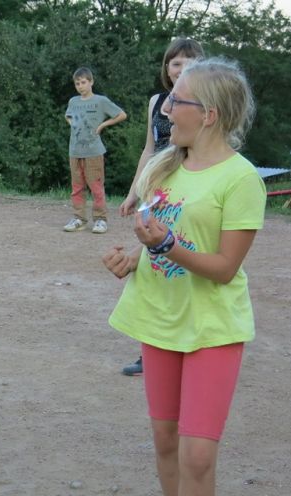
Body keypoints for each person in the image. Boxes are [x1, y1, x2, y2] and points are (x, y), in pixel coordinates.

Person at [102, 57, 265, 496]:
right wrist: (133, 257)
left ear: (208, 114)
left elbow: (225, 267)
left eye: (177, 101)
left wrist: (165, 246)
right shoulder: (162, 167)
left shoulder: (241, 179)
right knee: (166, 440)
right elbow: (158, 236)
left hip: (212, 327)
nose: (167, 109)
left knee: (197, 455)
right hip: (158, 318)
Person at [118, 37, 205, 377]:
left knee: (180, 259)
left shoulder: (205, 102)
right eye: (176, 62)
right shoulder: (156, 102)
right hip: (156, 188)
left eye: (190, 62)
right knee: (150, 264)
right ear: (167, 68)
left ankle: (188, 340)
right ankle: (150, 347)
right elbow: (149, 149)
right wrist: (134, 192)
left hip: (188, 189)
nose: (182, 68)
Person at [63, 66, 127, 234]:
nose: (80, 86)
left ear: (91, 82)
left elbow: (121, 115)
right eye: (77, 83)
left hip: (93, 151)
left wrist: (102, 125)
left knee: (96, 187)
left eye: (83, 82)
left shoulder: (100, 101)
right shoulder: (73, 101)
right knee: (77, 187)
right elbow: (68, 116)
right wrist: (74, 124)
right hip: (75, 151)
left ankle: (100, 220)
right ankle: (79, 219)